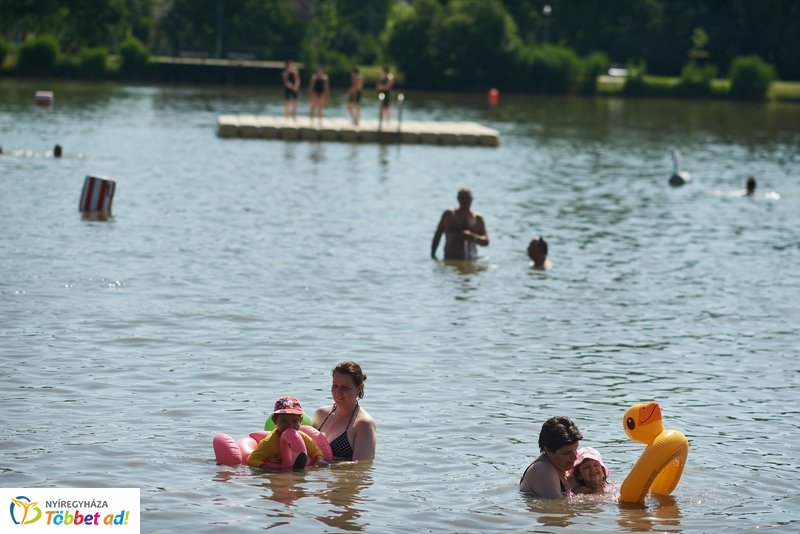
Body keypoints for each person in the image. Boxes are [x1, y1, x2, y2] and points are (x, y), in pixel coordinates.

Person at [313, 361, 376, 461]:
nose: (338, 392)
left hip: (343, 476)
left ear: (358, 389)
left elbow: (362, 465)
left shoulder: (363, 424)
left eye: (345, 388)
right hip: (318, 476)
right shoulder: (321, 414)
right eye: (335, 385)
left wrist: (325, 465)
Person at [248, 396, 328, 469]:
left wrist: (319, 460)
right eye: (284, 421)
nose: (290, 425)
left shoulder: (303, 437)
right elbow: (253, 459)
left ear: (300, 420)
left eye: (294, 421)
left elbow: (315, 451)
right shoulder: (269, 442)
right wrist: (266, 467)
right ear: (274, 420)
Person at [519, 416, 583, 498]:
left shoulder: (562, 467)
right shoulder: (541, 470)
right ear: (548, 450)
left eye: (575, 450)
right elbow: (559, 507)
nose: (575, 457)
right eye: (567, 453)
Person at [431, 187, 490, 260]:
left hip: (469, 259)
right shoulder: (449, 215)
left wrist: (473, 237)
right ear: (458, 199)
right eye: (462, 198)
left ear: (472, 199)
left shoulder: (477, 218)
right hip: (450, 258)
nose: (465, 200)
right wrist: (433, 255)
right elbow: (438, 235)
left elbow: (486, 241)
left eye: (467, 197)